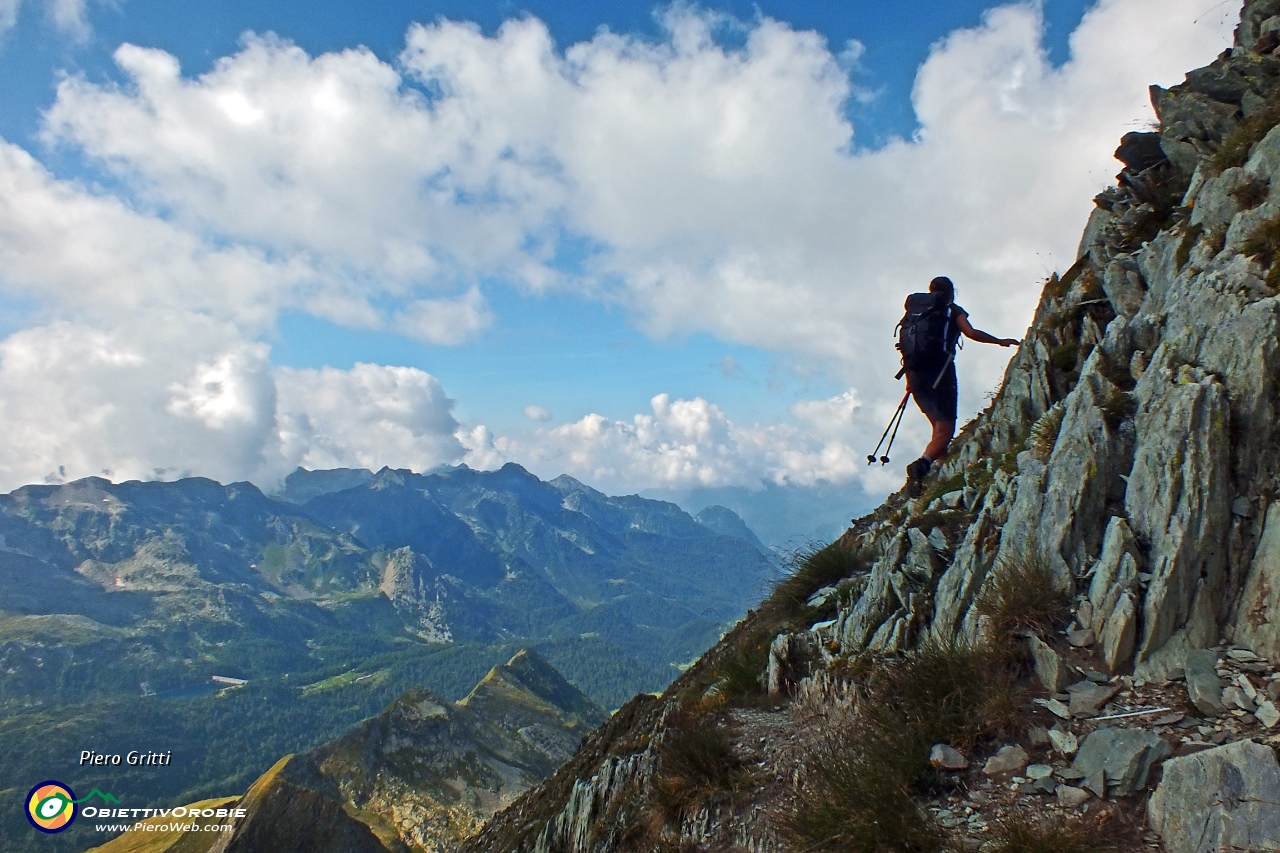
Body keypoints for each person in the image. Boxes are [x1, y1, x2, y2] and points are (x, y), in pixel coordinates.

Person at [903, 276, 1019, 498]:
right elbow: (971, 333)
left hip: (915, 375)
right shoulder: (952, 310)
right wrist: (999, 341)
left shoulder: (916, 314)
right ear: (951, 292)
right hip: (940, 373)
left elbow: (908, 345)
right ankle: (921, 467)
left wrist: (911, 380)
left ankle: (940, 472)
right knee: (946, 430)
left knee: (937, 426)